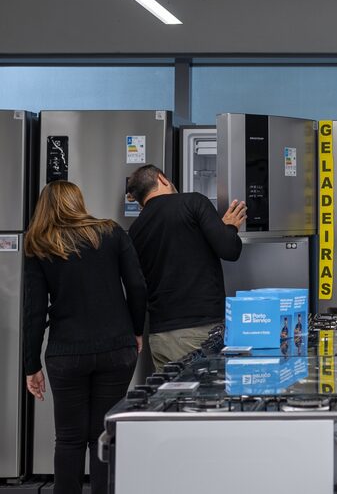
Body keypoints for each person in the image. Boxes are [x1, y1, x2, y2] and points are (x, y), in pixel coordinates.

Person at [23, 181, 146, 494]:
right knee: (104, 434)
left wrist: (30, 364)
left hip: (66, 352)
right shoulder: (111, 232)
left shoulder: (39, 243)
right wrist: (135, 330)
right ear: (79, 201)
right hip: (116, 347)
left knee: (69, 438)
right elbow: (137, 287)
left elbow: (34, 310)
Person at [126, 165, 246, 371]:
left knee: (172, 399)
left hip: (159, 335)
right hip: (199, 330)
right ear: (162, 179)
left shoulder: (136, 228)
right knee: (203, 399)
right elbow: (229, 250)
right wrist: (230, 228)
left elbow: (137, 285)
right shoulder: (193, 202)